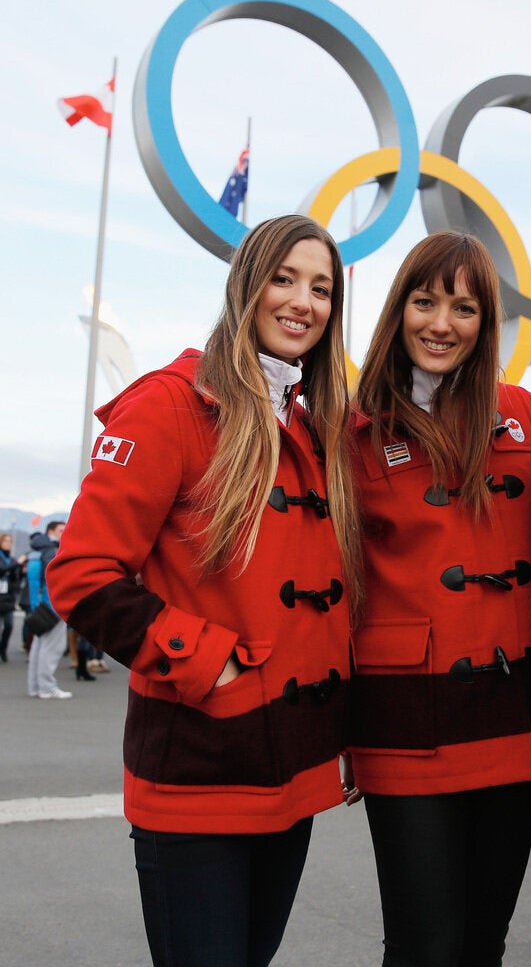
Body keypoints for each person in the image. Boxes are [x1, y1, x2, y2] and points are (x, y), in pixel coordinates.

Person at [47, 215, 362, 967]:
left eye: (321, 288)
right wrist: (208, 666)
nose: (302, 301)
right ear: (245, 287)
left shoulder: (316, 430)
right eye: (284, 278)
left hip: (291, 772)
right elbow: (80, 575)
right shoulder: (169, 404)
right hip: (199, 768)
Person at [347, 231, 531, 965]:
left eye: (463, 307)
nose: (441, 322)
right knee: (423, 946)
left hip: (511, 721)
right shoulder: (349, 430)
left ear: (484, 322)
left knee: (482, 942)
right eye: (424, 300)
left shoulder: (525, 414)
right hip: (404, 727)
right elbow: (333, 584)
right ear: (398, 309)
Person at [26, 521, 70, 698]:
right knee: (52, 647)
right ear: (51, 531)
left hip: (43, 605)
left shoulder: (36, 549)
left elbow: (33, 579)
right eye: (61, 530)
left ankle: (36, 686)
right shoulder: (51, 550)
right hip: (53, 604)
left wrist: (35, 604)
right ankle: (46, 686)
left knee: (40, 645)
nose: (64, 532)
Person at [0, 531, 26, 662]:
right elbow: (2, 569)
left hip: (8, 597)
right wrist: (17, 564)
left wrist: (22, 572)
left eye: (10, 541)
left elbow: (15, 577)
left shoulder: (11, 558)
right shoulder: (6, 560)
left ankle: (3, 649)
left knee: (9, 625)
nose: (8, 543)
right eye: (6, 541)